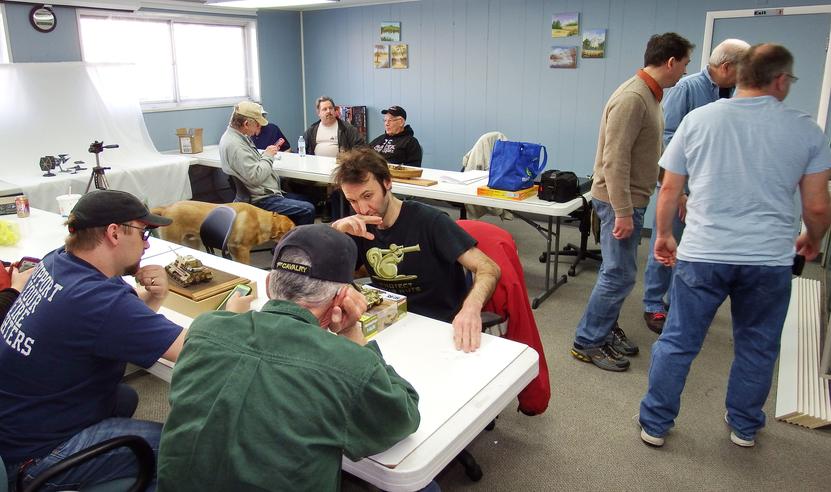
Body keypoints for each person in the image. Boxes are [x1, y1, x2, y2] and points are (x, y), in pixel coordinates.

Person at [638, 44, 831, 448]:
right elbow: (817, 206)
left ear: (739, 75)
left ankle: (654, 424)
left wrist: (664, 235)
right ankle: (744, 426)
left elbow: (669, 187)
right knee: (757, 345)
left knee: (678, 341)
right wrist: (812, 239)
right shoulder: (806, 130)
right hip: (768, 260)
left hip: (703, 253)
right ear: (781, 80)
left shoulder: (699, 120)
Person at [157, 224, 420, 491]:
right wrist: (353, 335)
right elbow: (402, 418)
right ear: (342, 298)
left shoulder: (203, 328)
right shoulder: (349, 365)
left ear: (269, 285)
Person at [0, 190, 195, 490]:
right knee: (188, 450)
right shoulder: (99, 300)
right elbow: (195, 351)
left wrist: (154, 298)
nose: (147, 244)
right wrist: (232, 316)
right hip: (35, 456)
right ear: (114, 233)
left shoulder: (57, 261)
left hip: (17, 424)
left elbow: (112, 326)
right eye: (143, 233)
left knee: (124, 398)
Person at [571, 32, 693, 372]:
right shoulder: (633, 98)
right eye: (684, 64)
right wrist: (623, 212)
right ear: (671, 62)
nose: (685, 72)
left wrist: (675, 189)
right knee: (618, 275)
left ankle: (605, 328)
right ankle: (587, 340)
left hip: (629, 200)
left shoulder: (650, 97)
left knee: (618, 273)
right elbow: (615, 161)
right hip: (617, 203)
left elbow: (650, 154)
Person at [331, 147, 500, 353]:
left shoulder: (430, 222)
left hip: (439, 327)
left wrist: (471, 308)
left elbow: (488, 268)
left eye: (368, 196)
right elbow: (327, 277)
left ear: (387, 182)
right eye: (352, 201)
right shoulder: (358, 226)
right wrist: (336, 233)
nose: (362, 209)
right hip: (389, 323)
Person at [642, 38, 750, 334]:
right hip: (681, 187)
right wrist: (678, 191)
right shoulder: (688, 88)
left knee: (694, 252)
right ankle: (653, 304)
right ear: (726, 66)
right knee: (665, 245)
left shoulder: (736, 93)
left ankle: (677, 303)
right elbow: (666, 138)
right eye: (743, 67)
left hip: (709, 189)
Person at [220, 100, 316, 225]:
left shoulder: (235, 137)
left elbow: (249, 166)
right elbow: (256, 177)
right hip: (260, 199)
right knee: (308, 209)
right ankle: (296, 237)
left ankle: (289, 232)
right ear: (246, 124)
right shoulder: (236, 145)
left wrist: (264, 155)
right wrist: (268, 156)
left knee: (308, 199)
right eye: (257, 124)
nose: (259, 127)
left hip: (261, 192)